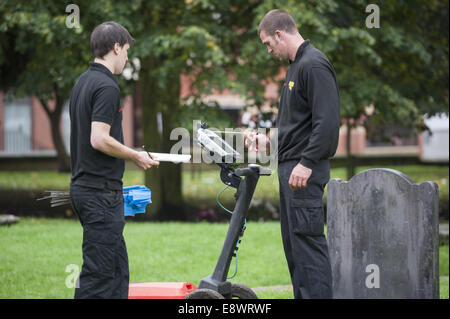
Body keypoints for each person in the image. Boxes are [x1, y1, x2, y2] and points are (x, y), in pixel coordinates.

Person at [246, 10, 340, 299]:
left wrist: (307, 163)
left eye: (267, 44)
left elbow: (327, 123)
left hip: (303, 174)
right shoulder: (295, 68)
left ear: (279, 34)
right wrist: (269, 144)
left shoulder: (313, 65)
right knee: (296, 251)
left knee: (308, 249)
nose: (268, 50)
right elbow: (298, 126)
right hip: (291, 170)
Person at [69, 21, 159, 299]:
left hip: (90, 191)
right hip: (99, 195)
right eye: (127, 50)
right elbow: (98, 138)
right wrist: (135, 155)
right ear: (116, 47)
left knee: (117, 272)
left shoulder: (83, 82)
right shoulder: (107, 86)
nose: (127, 58)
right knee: (98, 278)